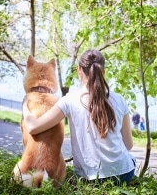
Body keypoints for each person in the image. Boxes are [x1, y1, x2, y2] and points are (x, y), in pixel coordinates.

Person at [22, 49, 136, 186]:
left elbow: (33, 127)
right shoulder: (120, 100)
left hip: (90, 178)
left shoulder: (69, 100)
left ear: (79, 70)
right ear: (103, 72)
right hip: (124, 173)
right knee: (131, 159)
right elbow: (128, 145)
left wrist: (25, 103)